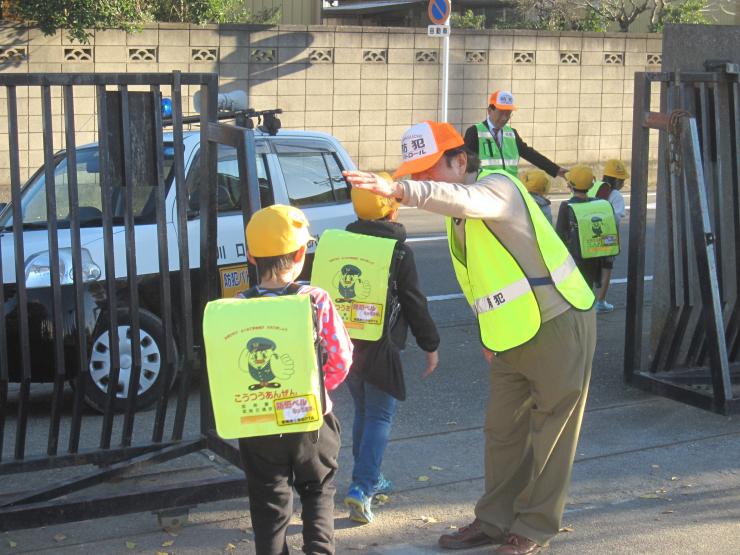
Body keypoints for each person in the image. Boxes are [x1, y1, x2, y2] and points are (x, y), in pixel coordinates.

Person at [343, 121, 596, 555]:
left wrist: (402, 190)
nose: (422, 180)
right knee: (502, 433)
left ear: (461, 160)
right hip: (511, 336)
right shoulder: (456, 218)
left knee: (551, 435)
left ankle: (533, 529)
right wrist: (487, 333)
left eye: (428, 169)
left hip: (558, 322)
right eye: (415, 173)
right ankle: (494, 521)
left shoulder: (499, 188)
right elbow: (482, 282)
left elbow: (465, 196)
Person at [236, 205, 353, 555]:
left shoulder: (238, 306)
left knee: (269, 502)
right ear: (301, 253)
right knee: (318, 492)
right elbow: (341, 357)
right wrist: (318, 388)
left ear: (252, 256)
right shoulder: (315, 300)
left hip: (259, 424)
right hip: (311, 419)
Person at [337, 187, 440, 524]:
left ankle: (367, 475)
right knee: (380, 416)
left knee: (364, 411)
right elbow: (413, 302)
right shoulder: (399, 252)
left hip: (348, 342)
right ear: (392, 211)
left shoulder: (341, 244)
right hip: (383, 346)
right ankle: (363, 487)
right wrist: (430, 345)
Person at [556, 165, 620, 314]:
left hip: (574, 258)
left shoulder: (566, 206)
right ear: (592, 185)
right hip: (593, 257)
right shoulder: (598, 204)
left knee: (574, 296)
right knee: (588, 291)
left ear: (569, 185)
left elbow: (560, 235)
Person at [463, 90, 568, 179]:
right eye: (501, 113)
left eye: (508, 114)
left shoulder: (511, 133)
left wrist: (556, 169)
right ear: (490, 110)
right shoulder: (474, 132)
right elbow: (465, 164)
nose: (504, 118)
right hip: (485, 191)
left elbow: (530, 154)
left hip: (510, 191)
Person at [589, 159, 629, 313]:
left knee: (589, 268)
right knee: (607, 267)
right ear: (617, 180)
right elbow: (617, 217)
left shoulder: (594, 187)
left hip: (589, 235)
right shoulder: (616, 194)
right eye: (623, 180)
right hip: (608, 237)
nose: (624, 183)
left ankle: (588, 300)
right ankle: (600, 302)